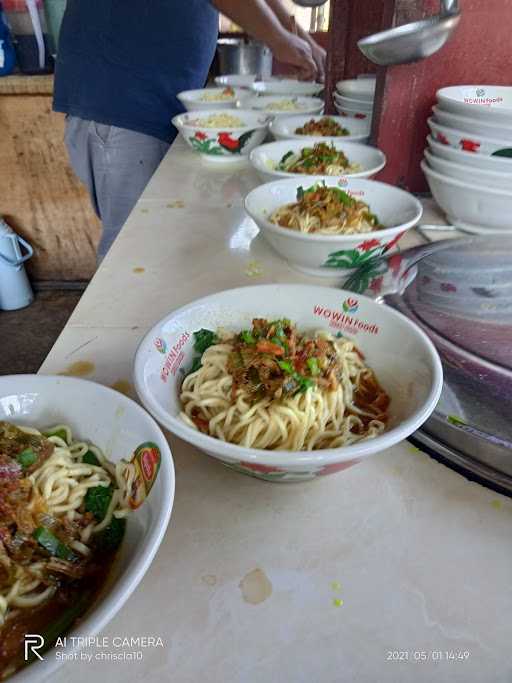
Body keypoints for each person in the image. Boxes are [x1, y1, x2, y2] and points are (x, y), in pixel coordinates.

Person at [53, 0, 326, 260]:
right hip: (122, 102)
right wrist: (280, 40)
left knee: (157, 244)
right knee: (134, 252)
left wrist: (301, 39)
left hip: (149, 102)